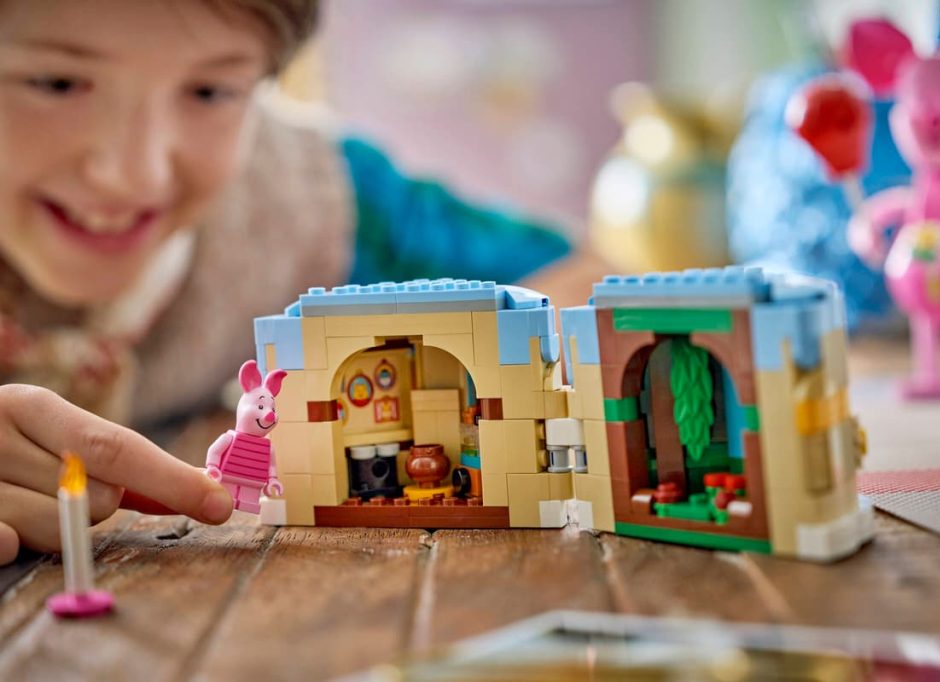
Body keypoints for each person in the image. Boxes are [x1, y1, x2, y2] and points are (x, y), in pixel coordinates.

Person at [0, 0, 584, 565]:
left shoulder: (326, 198)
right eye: (56, 82)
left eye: (211, 90)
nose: (135, 174)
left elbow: (582, 277)